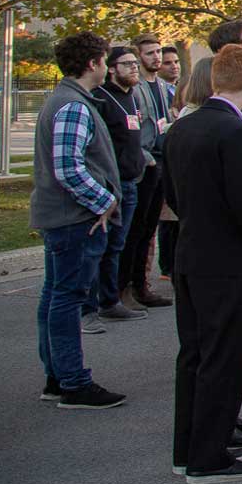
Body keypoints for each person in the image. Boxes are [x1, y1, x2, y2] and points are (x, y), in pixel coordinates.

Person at [163, 43, 242, 483]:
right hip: (227, 259)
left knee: (194, 354)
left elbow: (171, 195)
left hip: (191, 251)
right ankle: (208, 458)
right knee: (224, 356)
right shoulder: (234, 131)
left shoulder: (183, 128)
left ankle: (189, 446)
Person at [32, 32, 127, 408]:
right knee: (67, 299)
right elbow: (67, 168)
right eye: (104, 60)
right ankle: (72, 381)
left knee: (55, 296)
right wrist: (104, 201)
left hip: (65, 217)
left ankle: (57, 376)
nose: (106, 66)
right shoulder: (73, 105)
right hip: (75, 219)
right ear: (93, 64)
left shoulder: (69, 100)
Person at [88, 44, 149, 322]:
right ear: (111, 68)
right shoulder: (100, 99)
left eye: (135, 63)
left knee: (123, 243)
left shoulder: (132, 96)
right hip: (112, 184)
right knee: (109, 246)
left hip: (133, 179)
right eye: (127, 64)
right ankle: (104, 301)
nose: (134, 68)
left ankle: (116, 294)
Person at [121, 33, 173, 310]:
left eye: (158, 52)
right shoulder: (135, 88)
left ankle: (141, 285)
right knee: (136, 229)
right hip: (144, 163)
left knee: (149, 229)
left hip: (161, 162)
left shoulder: (163, 87)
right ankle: (125, 286)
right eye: (150, 53)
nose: (156, 57)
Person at [156, 45, 185, 284]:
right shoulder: (159, 90)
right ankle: (167, 265)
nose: (174, 65)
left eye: (176, 61)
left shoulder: (175, 87)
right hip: (161, 159)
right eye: (168, 62)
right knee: (168, 222)